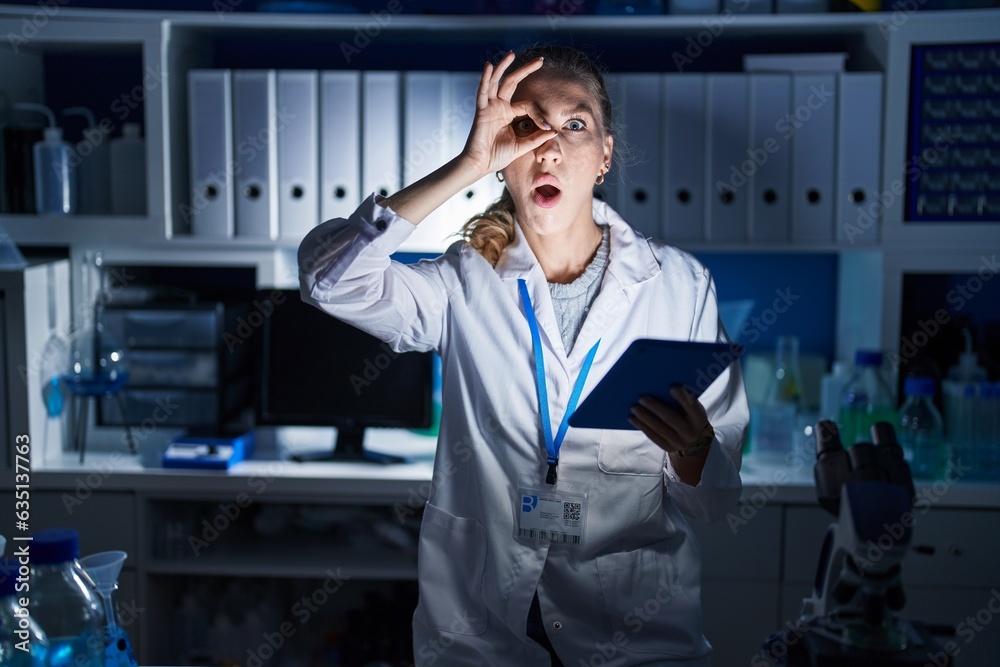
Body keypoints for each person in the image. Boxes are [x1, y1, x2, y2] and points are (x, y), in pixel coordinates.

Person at [299, 45, 749, 667]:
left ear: (605, 156)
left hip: (635, 637)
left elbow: (716, 500)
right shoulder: (462, 283)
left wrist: (695, 452)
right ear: (504, 156)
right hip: (483, 636)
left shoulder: (680, 287)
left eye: (575, 124)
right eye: (527, 126)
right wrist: (466, 164)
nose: (550, 147)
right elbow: (330, 281)